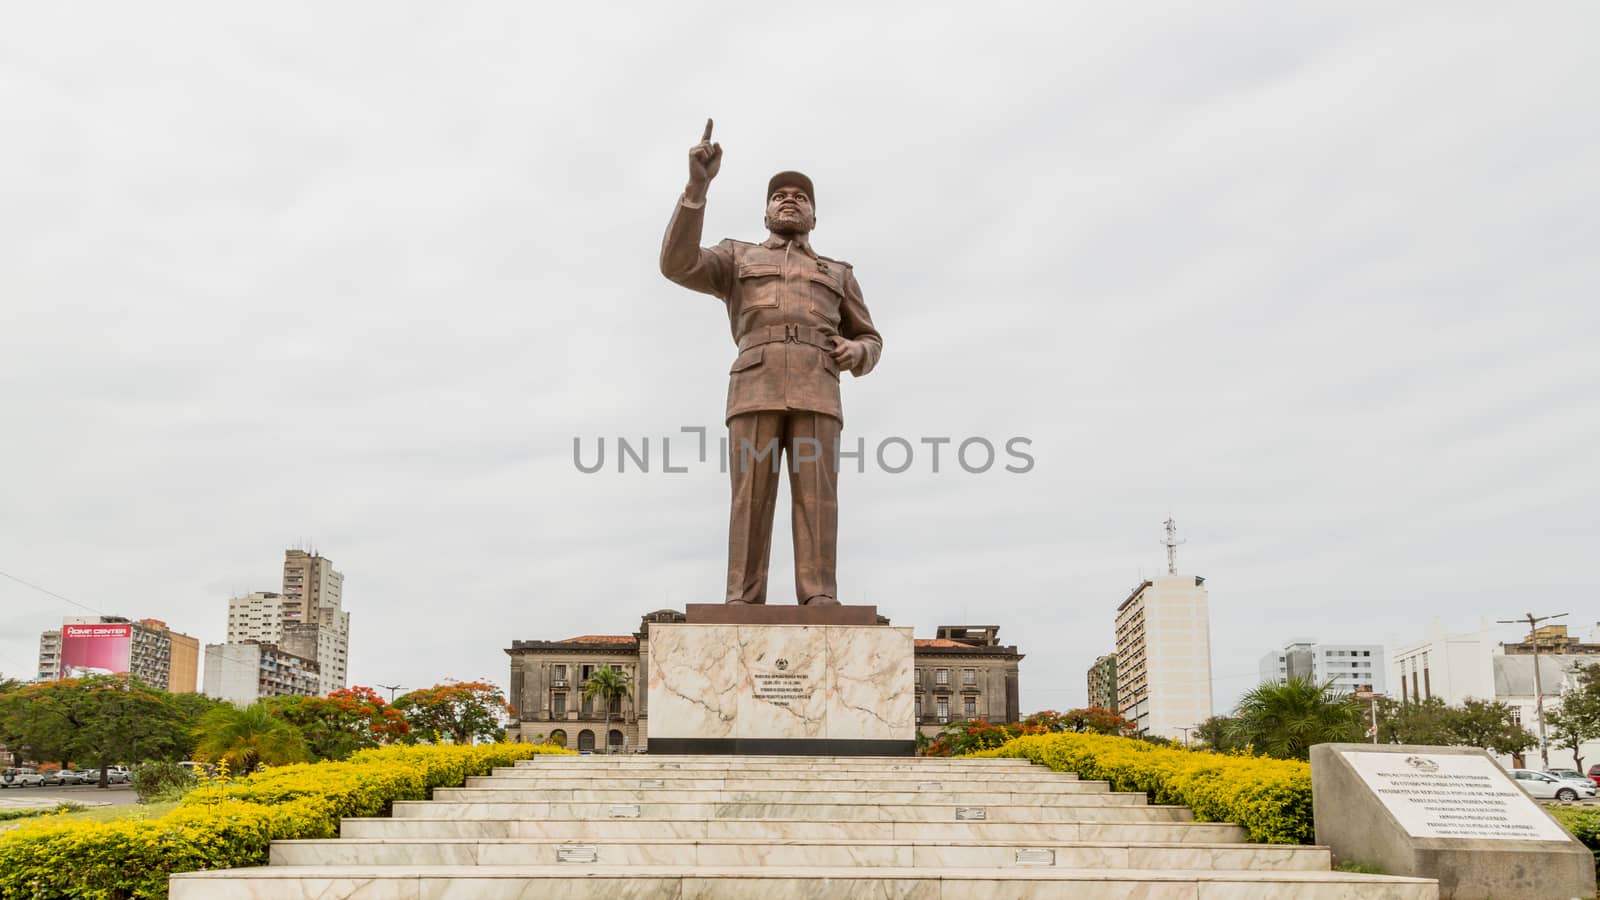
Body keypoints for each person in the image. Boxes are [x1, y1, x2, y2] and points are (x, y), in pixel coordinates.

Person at [659, 121, 882, 606]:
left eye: (801, 197)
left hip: (818, 388)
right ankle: (741, 596)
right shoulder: (736, 257)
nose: (789, 199)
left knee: (818, 500)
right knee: (750, 498)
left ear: (814, 216)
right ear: (765, 211)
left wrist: (858, 351)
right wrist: (698, 187)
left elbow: (869, 336)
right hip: (755, 385)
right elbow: (677, 265)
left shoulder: (838, 273)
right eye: (779, 194)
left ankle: (820, 595)